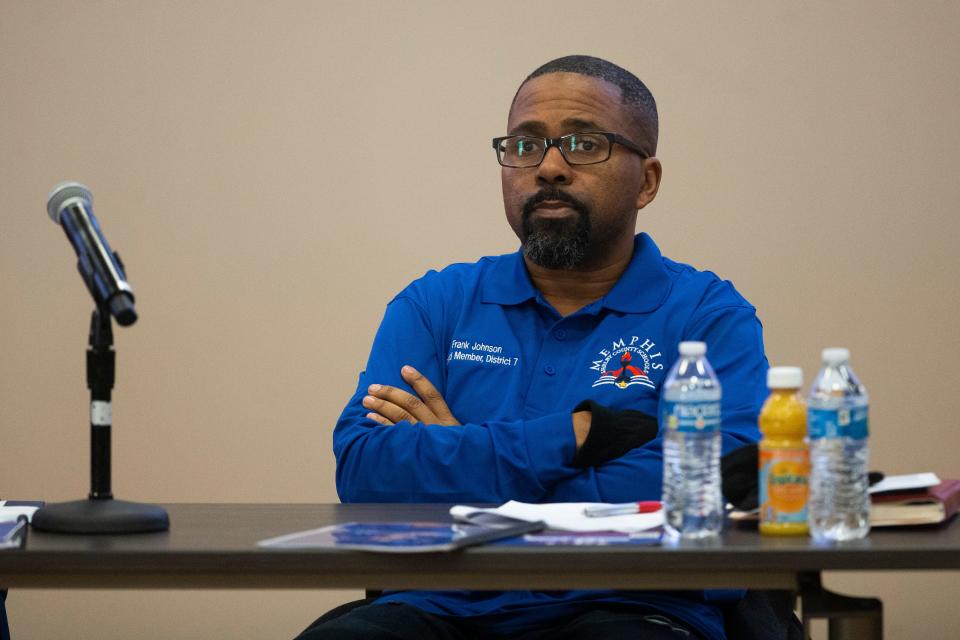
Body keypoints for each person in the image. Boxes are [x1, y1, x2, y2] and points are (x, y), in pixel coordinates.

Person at [298, 55, 768, 640]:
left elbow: (716, 481)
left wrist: (463, 459)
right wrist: (578, 437)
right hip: (437, 604)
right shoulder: (436, 304)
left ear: (646, 181)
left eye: (584, 143)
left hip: (632, 605)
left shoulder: (707, 315)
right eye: (524, 146)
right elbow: (366, 470)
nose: (548, 167)